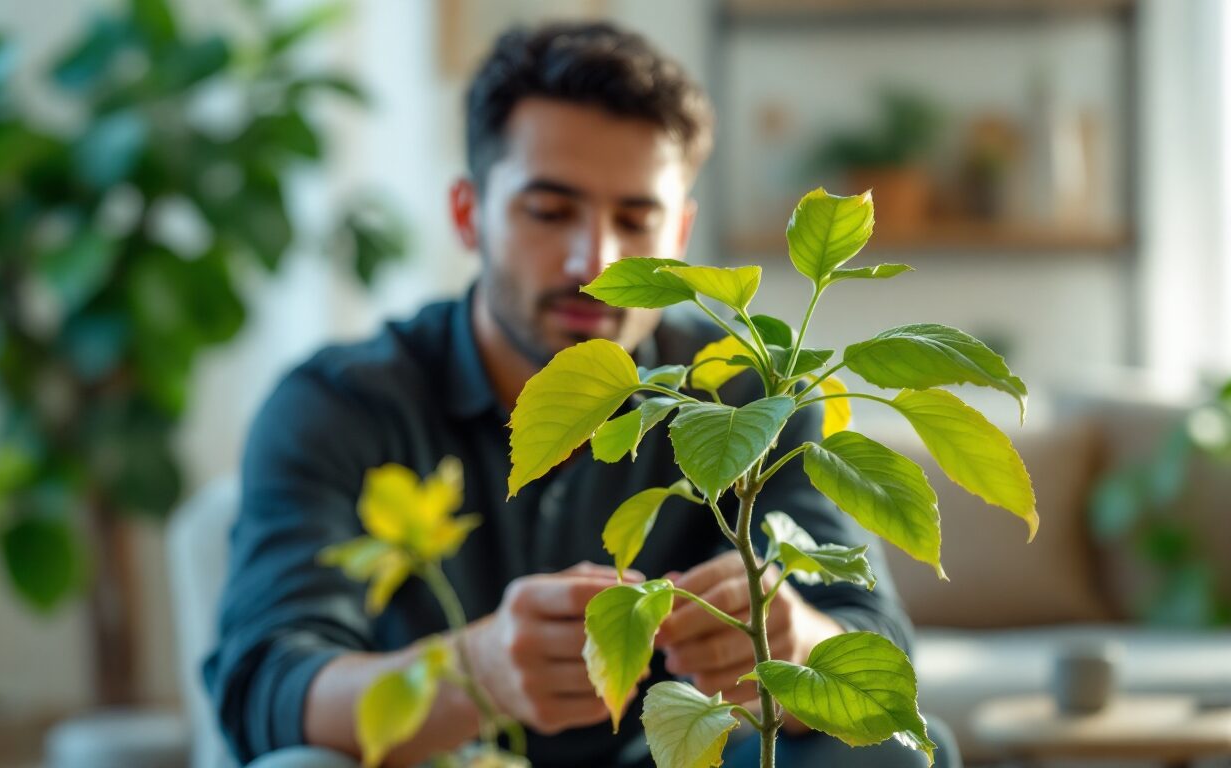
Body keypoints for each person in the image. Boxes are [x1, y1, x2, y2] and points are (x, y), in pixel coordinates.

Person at [205, 21, 959, 768]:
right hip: (447, 759)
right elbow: (266, 689)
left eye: (636, 219)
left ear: (682, 232)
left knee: (888, 749)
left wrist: (794, 643)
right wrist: (479, 676)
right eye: (549, 211)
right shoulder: (340, 405)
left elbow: (872, 638)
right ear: (469, 214)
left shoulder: (748, 396)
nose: (594, 260)